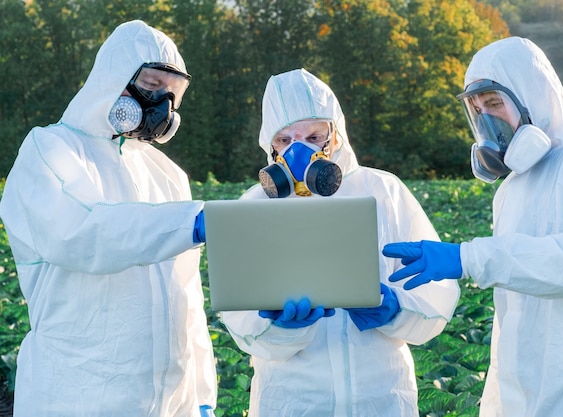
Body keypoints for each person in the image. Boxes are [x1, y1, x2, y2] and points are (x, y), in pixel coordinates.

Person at [383, 37, 563, 417]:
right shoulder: (510, 189)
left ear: (536, 96)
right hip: (518, 393)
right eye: (476, 109)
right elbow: (513, 315)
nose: (486, 119)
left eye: (494, 103)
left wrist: (468, 257)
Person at [0, 20, 217, 416]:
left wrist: (200, 395)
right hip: (78, 396)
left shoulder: (167, 175)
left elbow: (187, 301)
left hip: (168, 404)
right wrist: (190, 223)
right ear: (111, 81)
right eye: (151, 88)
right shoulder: (50, 150)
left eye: (172, 94)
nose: (162, 106)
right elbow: (82, 233)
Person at [220, 68, 460, 417]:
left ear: (335, 134)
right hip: (292, 402)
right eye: (285, 141)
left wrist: (396, 309)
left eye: (313, 135)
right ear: (270, 146)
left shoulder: (384, 191)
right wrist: (280, 329)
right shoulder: (254, 206)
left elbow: (438, 296)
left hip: (382, 397)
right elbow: (241, 325)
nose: (299, 151)